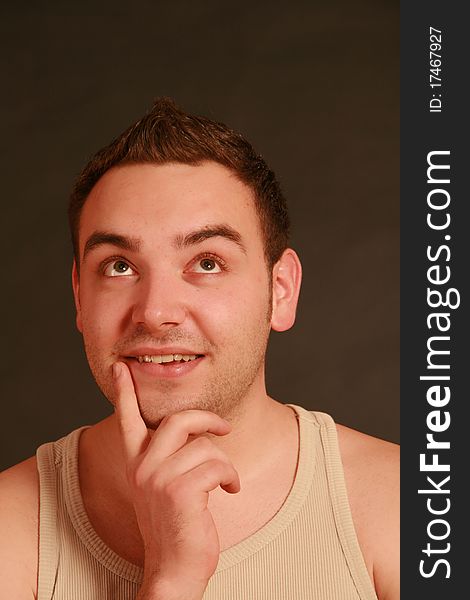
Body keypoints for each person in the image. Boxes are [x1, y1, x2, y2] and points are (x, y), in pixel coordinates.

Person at [0, 98, 399, 600]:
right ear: (80, 295)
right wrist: (170, 580)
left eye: (207, 262)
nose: (155, 311)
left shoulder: (407, 507)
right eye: (119, 266)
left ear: (280, 291)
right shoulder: (8, 528)